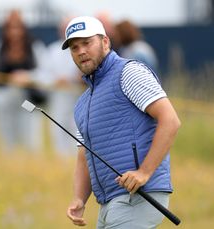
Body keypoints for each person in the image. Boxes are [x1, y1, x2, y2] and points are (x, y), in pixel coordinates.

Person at [63, 16, 181, 228]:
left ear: (105, 42)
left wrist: (144, 172)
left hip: (140, 196)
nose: (81, 51)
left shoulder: (129, 72)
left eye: (87, 43)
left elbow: (170, 120)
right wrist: (80, 198)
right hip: (109, 202)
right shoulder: (82, 103)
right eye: (74, 47)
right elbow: (84, 154)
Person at [0, 10, 48, 153]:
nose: (15, 32)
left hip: (27, 100)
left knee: (31, 140)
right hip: (5, 99)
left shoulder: (34, 47)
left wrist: (28, 77)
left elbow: (46, 73)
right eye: (11, 27)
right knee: (7, 142)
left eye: (18, 27)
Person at [45, 17, 83, 156]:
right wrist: (55, 80)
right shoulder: (53, 50)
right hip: (58, 99)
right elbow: (44, 74)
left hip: (78, 99)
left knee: (77, 133)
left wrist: (73, 79)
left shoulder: (83, 49)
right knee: (58, 131)